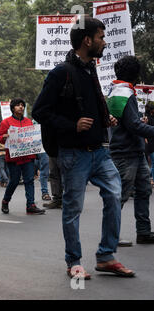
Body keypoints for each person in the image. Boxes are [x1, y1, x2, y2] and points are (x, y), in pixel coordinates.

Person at [32, 17, 135, 279]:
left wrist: (105, 119)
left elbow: (88, 103)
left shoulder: (91, 69)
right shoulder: (60, 73)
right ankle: (74, 261)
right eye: (100, 36)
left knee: (114, 194)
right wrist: (71, 125)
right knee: (73, 207)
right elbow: (40, 111)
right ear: (87, 40)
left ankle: (106, 256)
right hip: (74, 154)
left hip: (99, 151)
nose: (104, 41)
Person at [108, 55, 154, 245]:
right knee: (120, 195)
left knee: (143, 190)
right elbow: (133, 125)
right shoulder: (123, 93)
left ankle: (143, 231)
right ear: (135, 74)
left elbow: (129, 121)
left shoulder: (120, 91)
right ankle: (111, 237)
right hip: (126, 153)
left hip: (135, 150)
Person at [0, 99, 45, 215]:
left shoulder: (29, 121)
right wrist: (4, 136)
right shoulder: (6, 122)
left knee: (29, 180)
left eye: (22, 105)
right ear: (13, 108)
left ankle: (31, 205)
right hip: (13, 157)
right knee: (14, 181)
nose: (21, 107)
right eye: (18, 105)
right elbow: (0, 139)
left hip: (28, 156)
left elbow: (34, 137)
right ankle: (6, 200)